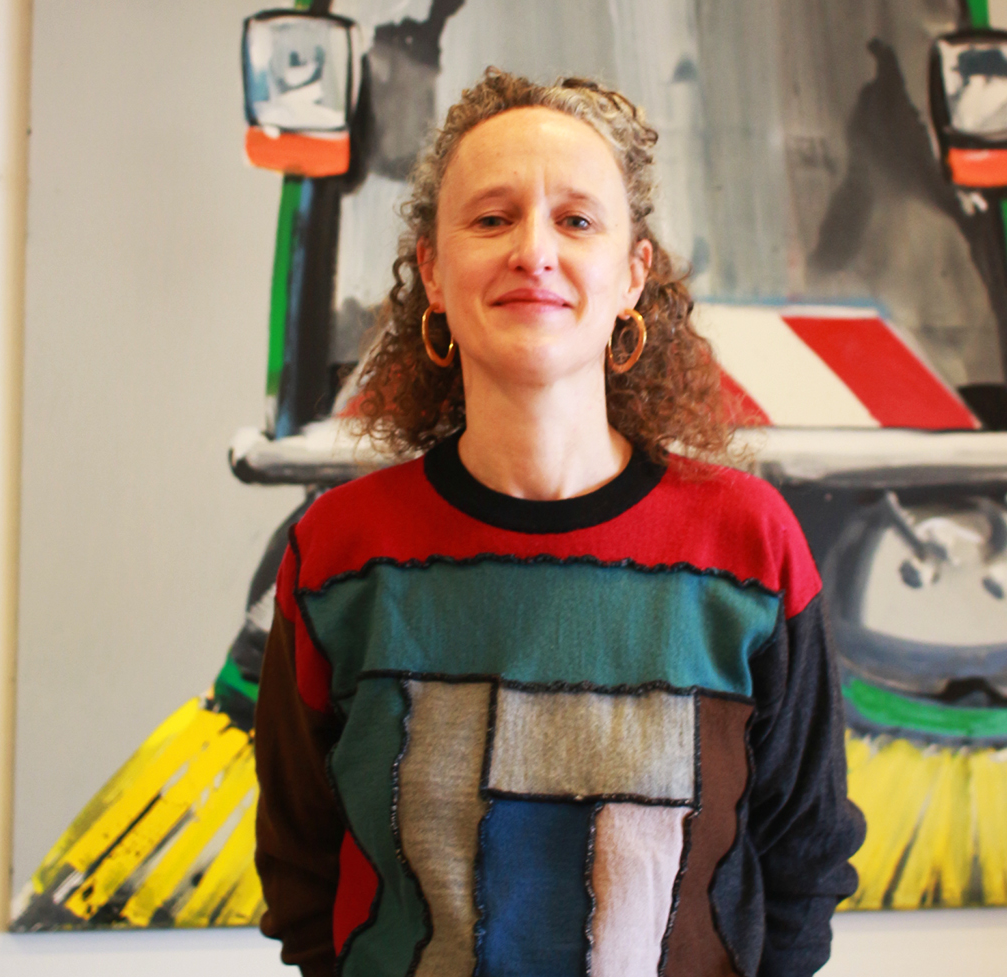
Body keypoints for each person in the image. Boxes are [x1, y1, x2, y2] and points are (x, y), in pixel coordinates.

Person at [254, 68, 864, 977]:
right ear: (431, 268)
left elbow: (803, 862)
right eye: (492, 218)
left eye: (576, 220)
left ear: (632, 275)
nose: (533, 250)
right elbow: (302, 872)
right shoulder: (339, 553)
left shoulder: (751, 545)